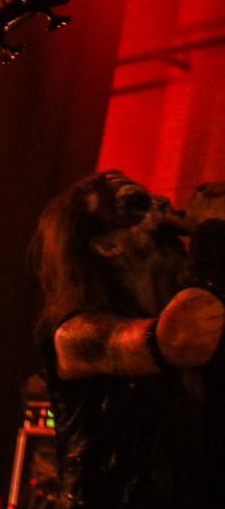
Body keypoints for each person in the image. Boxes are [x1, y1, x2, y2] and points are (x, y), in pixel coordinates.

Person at [32, 171, 225, 508]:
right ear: (108, 246)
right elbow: (183, 339)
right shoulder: (75, 335)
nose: (162, 202)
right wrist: (212, 231)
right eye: (137, 202)